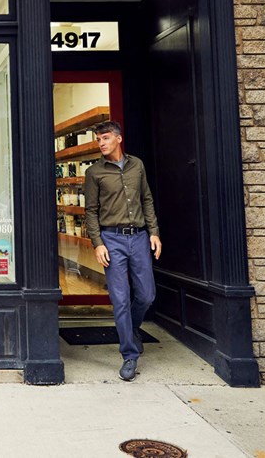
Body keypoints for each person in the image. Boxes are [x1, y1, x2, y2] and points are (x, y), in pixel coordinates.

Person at [83, 120, 162, 382]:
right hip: (111, 239)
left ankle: (132, 327)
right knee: (120, 299)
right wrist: (98, 243)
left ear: (118, 138)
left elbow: (146, 199)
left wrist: (154, 232)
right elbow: (91, 211)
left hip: (138, 237)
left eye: (105, 138)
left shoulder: (137, 165)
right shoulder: (94, 172)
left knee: (147, 295)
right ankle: (129, 354)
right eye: (98, 139)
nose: (101, 143)